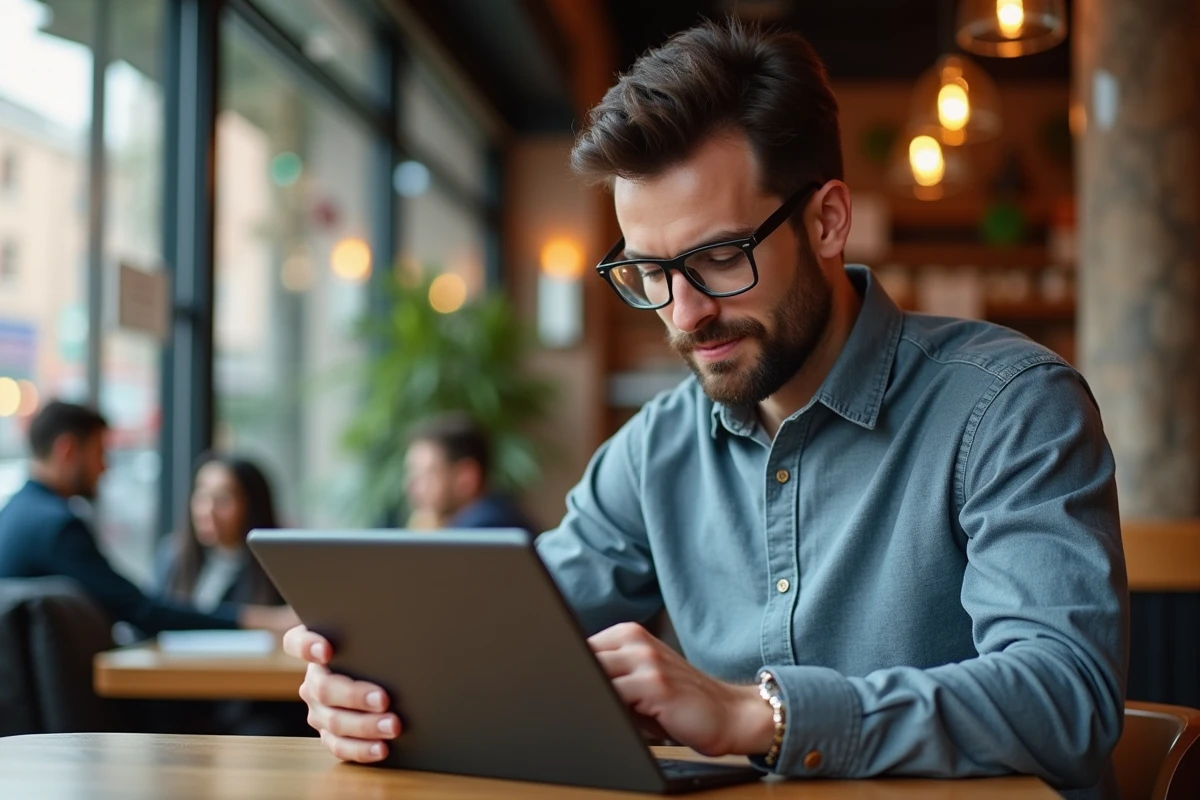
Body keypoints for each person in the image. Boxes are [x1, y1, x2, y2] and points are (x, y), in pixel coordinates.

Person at [284, 20, 1126, 798]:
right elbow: (515, 630)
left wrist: (757, 714)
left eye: (720, 257)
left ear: (828, 221)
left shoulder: (1009, 407)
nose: (683, 315)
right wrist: (373, 681)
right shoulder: (654, 452)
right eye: (650, 273)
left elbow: (1066, 696)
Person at [0, 401, 295, 635]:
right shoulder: (56, 527)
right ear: (67, 451)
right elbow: (140, 611)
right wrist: (259, 620)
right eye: (100, 453)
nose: (105, 469)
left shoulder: (13, 515)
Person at [158, 453, 285, 609]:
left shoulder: (278, 569)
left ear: (252, 506)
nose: (207, 510)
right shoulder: (174, 555)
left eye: (223, 499)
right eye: (201, 496)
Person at [403, 413, 536, 532]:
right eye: (412, 473)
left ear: (466, 477)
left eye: (426, 475)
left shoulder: (485, 528)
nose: (411, 487)